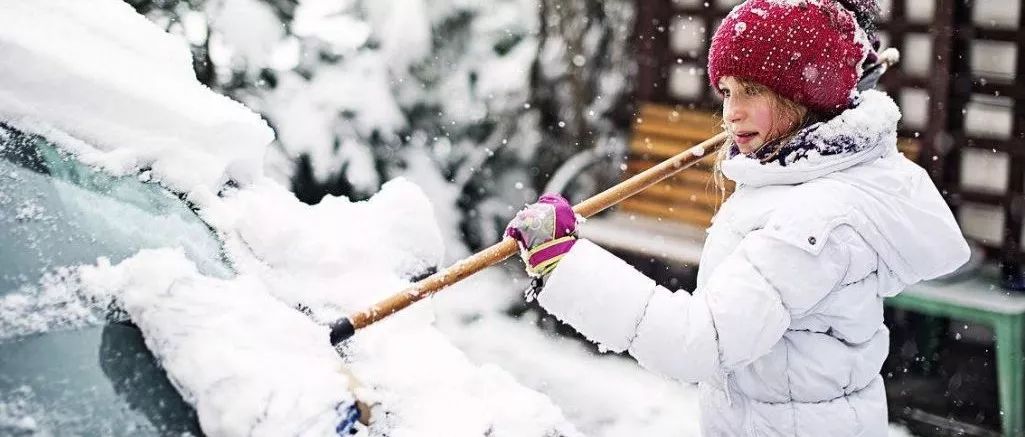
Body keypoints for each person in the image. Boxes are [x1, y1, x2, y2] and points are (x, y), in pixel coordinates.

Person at [504, 0, 971, 435]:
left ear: (805, 96)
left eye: (752, 91)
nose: (732, 113)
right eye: (727, 91)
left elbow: (699, 343)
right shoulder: (801, 179)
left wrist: (562, 264)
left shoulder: (812, 221)